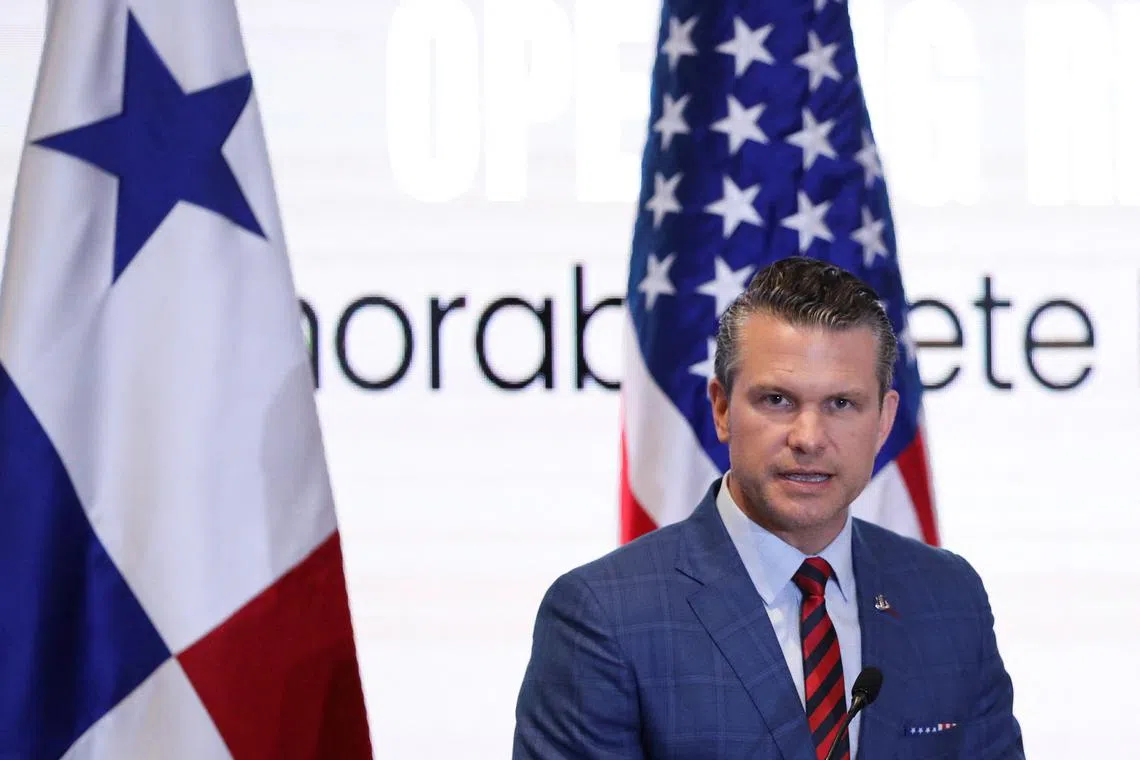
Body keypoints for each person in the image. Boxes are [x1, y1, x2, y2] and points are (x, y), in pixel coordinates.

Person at [512, 257, 1024, 759]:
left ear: (885, 420)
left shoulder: (949, 598)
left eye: (841, 404)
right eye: (777, 400)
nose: (808, 438)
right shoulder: (604, 616)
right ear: (721, 408)